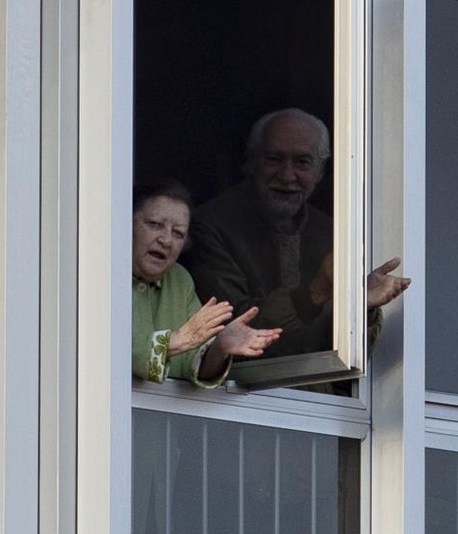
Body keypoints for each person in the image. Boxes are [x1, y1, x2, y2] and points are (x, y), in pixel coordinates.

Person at [186, 108, 410, 361]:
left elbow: (346, 361)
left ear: (320, 172)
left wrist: (362, 306)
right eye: (274, 159)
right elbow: (234, 331)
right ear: (251, 162)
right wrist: (316, 292)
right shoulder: (211, 224)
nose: (287, 176)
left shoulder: (335, 232)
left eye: (302, 162)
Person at [132, 179, 282, 386]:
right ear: (127, 223)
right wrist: (176, 341)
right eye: (155, 225)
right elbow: (105, 354)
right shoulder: (98, 274)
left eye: (178, 233)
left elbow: (190, 367)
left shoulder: (179, 279)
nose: (166, 241)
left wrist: (218, 348)